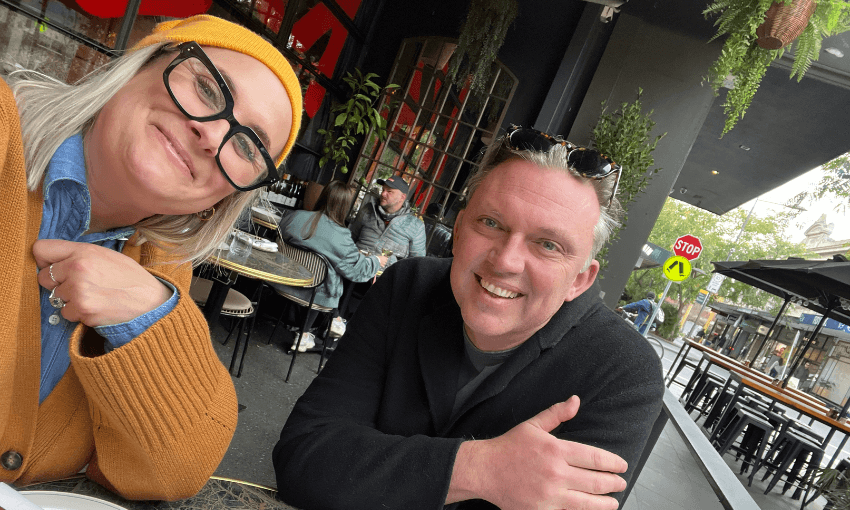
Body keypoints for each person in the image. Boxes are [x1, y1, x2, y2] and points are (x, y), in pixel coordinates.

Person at [273, 126, 665, 509]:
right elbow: (304, 457)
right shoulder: (408, 287)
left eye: (547, 244)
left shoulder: (622, 372)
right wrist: (478, 470)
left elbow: (329, 466)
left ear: (580, 280)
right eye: (491, 223)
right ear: (459, 231)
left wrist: (374, 471)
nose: (506, 262)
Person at [1, 15, 302, 500]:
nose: (211, 135)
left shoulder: (160, 266)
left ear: (228, 194)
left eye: (247, 145)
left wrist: (150, 318)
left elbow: (174, 472)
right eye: (208, 88)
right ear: (143, 62)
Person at [269, 181, 387, 351]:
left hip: (279, 281)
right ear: (345, 206)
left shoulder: (294, 217)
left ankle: (326, 323)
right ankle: (332, 320)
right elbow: (355, 271)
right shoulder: (341, 235)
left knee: (327, 265)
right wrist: (376, 261)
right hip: (314, 295)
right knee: (332, 270)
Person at [349, 175, 426, 266]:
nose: (383, 194)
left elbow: (416, 262)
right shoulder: (368, 210)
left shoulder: (416, 226)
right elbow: (350, 239)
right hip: (355, 269)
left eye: (389, 191)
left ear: (402, 197)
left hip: (386, 278)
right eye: (383, 190)